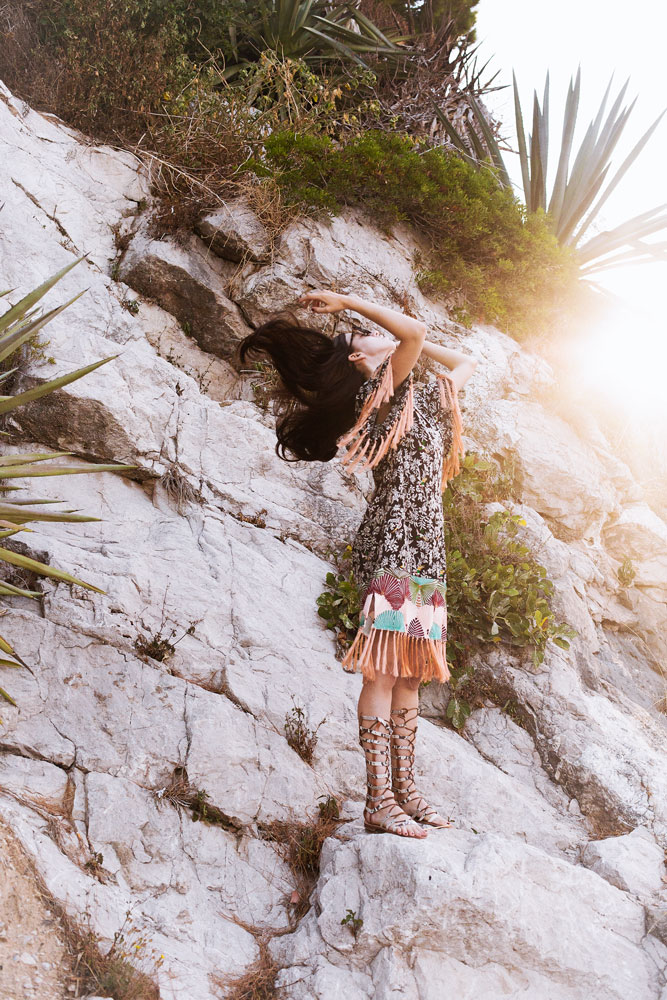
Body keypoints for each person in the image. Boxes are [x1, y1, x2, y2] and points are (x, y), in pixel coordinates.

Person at [239, 290, 478, 839]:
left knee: (412, 674)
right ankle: (378, 801)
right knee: (385, 668)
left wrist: (388, 340)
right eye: (366, 337)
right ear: (358, 359)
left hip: (426, 549)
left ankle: (407, 792)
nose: (383, 338)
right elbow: (413, 334)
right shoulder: (379, 394)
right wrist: (351, 304)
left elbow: (465, 363)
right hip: (394, 543)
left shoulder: (425, 395)